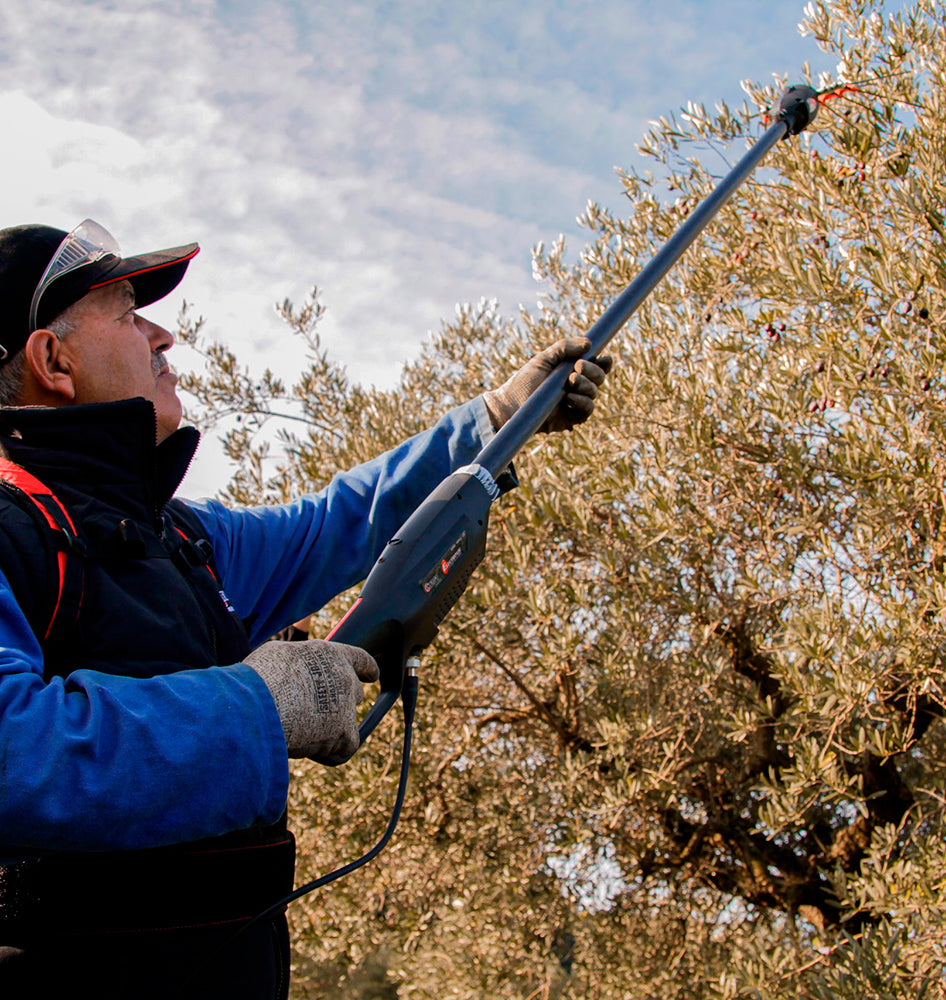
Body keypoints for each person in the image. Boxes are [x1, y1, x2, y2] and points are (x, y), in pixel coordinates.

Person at [0, 219, 611, 999]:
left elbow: (338, 522)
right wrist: (261, 705)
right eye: (127, 313)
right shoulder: (12, 536)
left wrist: (495, 419)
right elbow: (10, 748)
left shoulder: (189, 541)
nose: (163, 336)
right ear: (53, 361)